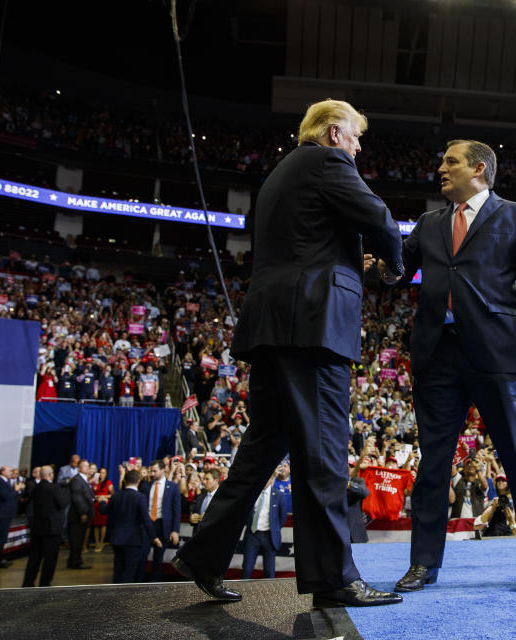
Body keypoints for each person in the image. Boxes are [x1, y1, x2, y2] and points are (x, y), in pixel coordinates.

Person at [172, 99, 404, 608]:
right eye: (357, 137)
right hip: (311, 331)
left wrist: (356, 267)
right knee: (322, 455)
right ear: (334, 131)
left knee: (259, 452)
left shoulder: (282, 173)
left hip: (275, 327)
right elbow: (382, 219)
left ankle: (203, 555)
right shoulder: (327, 161)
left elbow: (305, 251)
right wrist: (393, 266)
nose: (360, 147)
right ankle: (333, 578)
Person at [391, 139, 516, 593]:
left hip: (496, 354)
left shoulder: (515, 215)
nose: (440, 167)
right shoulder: (428, 224)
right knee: (433, 465)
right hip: (437, 355)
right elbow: (395, 270)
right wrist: (370, 255)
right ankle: (423, 564)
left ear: (479, 169)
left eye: (451, 161)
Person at [101, 470, 162, 583]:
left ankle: (115, 596)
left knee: (118, 570)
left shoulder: (116, 496)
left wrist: (102, 502)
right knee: (129, 572)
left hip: (117, 539)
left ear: (125, 481)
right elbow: (146, 520)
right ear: (138, 481)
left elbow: (104, 511)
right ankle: (124, 598)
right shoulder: (140, 497)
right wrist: (154, 537)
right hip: (133, 541)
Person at [22, 466, 69, 587]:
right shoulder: (54, 488)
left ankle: (28, 582)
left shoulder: (36, 488)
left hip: (37, 528)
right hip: (51, 529)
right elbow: (62, 503)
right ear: (50, 475)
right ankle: (45, 583)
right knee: (50, 559)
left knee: (34, 558)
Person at [141, 460, 181, 582]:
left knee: (158, 559)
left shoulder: (172, 487)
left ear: (164, 470)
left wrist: (175, 530)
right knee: (142, 556)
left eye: (155, 470)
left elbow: (176, 510)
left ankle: (154, 584)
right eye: (151, 471)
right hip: (147, 525)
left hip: (162, 525)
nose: (152, 473)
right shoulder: (145, 486)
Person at [241, 475, 287, 579]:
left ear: (271, 480)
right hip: (252, 535)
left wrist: (275, 529)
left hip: (269, 536)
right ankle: (242, 592)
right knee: (247, 568)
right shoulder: (252, 494)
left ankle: (268, 594)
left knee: (269, 571)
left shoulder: (279, 495)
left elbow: (282, 517)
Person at [0, 465, 24, 568]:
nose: (11, 472)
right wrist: (16, 490)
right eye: (9, 471)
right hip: (2, 514)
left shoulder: (6, 482)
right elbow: (6, 496)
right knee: (1, 537)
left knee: (3, 537)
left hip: (7, 513)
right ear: (2, 472)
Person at [67, 459, 94, 569]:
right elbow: (77, 498)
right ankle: (75, 562)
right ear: (79, 468)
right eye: (84, 466)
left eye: (88, 466)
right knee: (76, 541)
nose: (87, 468)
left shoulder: (84, 479)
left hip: (82, 515)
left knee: (79, 539)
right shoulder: (77, 480)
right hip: (77, 516)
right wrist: (83, 513)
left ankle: (75, 560)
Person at [189, 470, 220, 535]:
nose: (203, 482)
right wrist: (191, 518)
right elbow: (193, 512)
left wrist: (209, 518)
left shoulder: (222, 498)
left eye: (207, 479)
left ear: (216, 480)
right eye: (203, 479)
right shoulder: (200, 496)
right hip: (197, 537)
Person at [90, 467, 114, 551]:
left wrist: (104, 496)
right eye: (100, 472)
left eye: (104, 472)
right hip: (96, 504)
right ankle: (96, 543)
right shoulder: (95, 482)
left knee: (103, 525)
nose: (102, 474)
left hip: (104, 505)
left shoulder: (108, 483)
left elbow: (112, 495)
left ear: (106, 474)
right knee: (96, 525)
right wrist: (96, 497)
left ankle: (101, 542)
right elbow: (91, 493)